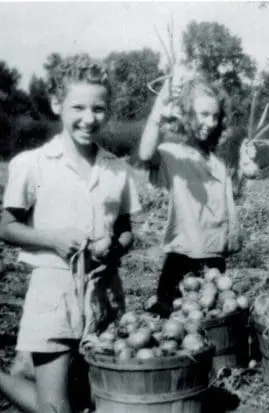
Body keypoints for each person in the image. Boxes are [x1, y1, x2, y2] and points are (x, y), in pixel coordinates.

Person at [0, 55, 141, 413]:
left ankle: (53, 373)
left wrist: (115, 249)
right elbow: (7, 227)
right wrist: (54, 238)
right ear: (56, 104)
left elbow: (126, 232)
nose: (89, 118)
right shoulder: (33, 164)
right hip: (54, 291)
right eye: (78, 107)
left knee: (109, 402)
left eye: (99, 108)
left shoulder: (116, 169)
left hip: (105, 292)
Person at [138, 75, 244, 318]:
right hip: (182, 261)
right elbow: (145, 154)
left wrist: (245, 172)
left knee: (212, 328)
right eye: (203, 114)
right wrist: (159, 108)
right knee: (174, 330)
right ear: (186, 115)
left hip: (215, 262)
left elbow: (227, 205)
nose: (210, 122)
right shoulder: (173, 154)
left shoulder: (217, 164)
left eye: (215, 116)